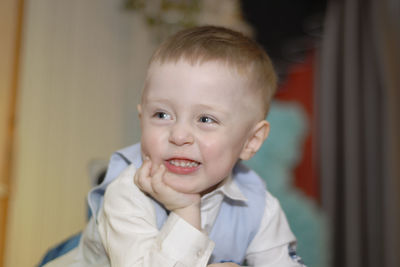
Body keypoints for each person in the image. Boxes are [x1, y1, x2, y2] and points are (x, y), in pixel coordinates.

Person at [45, 26, 305, 267]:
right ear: (142, 120)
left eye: (205, 119)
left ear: (251, 141)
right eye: (162, 115)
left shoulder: (259, 207)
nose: (179, 135)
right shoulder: (127, 194)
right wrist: (186, 211)